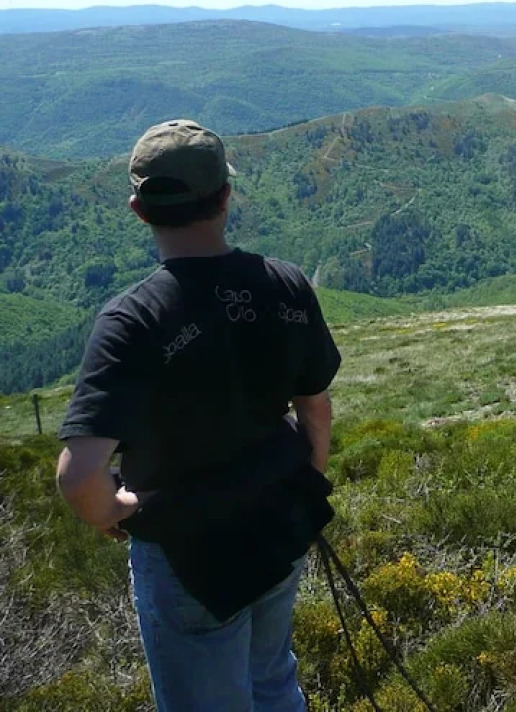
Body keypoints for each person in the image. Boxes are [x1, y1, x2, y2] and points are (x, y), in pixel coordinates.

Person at [56, 119, 341, 712]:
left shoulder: (132, 319)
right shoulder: (286, 285)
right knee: (272, 683)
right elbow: (315, 410)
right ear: (227, 197)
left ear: (140, 209)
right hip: (278, 525)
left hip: (189, 554)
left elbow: (78, 476)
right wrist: (303, 484)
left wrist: (115, 509)